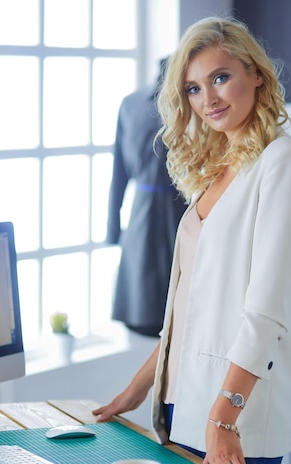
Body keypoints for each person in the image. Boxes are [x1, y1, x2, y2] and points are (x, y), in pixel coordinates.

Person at [93, 17, 291, 464]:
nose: (208, 99)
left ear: (255, 73)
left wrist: (224, 417)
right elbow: (191, 311)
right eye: (193, 88)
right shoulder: (217, 169)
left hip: (232, 419)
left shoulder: (283, 162)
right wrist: (138, 389)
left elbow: (266, 311)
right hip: (180, 406)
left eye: (220, 78)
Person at [107, 58, 187, 337]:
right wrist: (112, 229)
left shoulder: (192, 102)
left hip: (183, 209)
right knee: (143, 298)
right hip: (143, 212)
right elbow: (118, 170)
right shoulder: (130, 104)